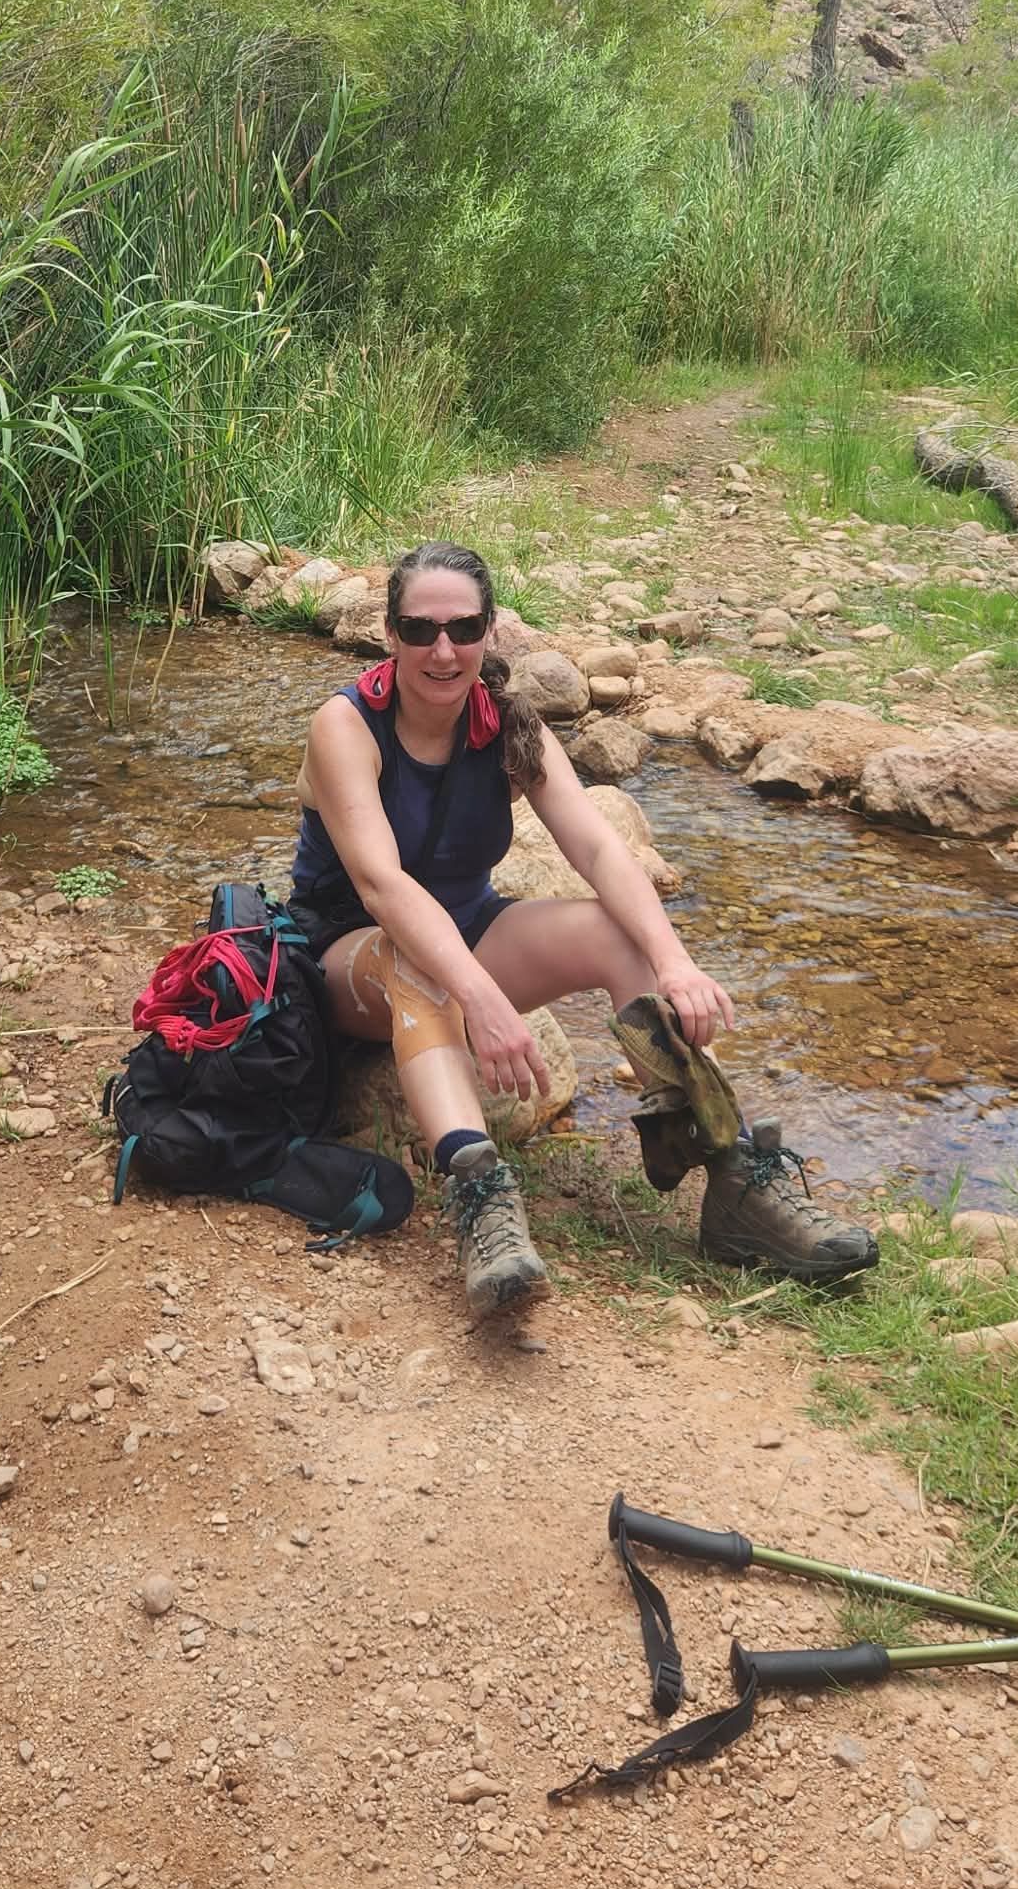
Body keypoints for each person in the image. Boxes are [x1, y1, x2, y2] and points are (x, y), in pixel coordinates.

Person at [291, 541, 876, 1318]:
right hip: (348, 956)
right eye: (420, 629)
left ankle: (730, 1176)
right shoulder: (347, 724)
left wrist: (676, 964)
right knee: (419, 960)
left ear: (490, 634)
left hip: (470, 932)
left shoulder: (506, 725)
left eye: (464, 629)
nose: (443, 649)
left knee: (619, 934)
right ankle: (482, 1199)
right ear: (390, 635)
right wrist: (482, 996)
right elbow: (381, 884)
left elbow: (599, 845)